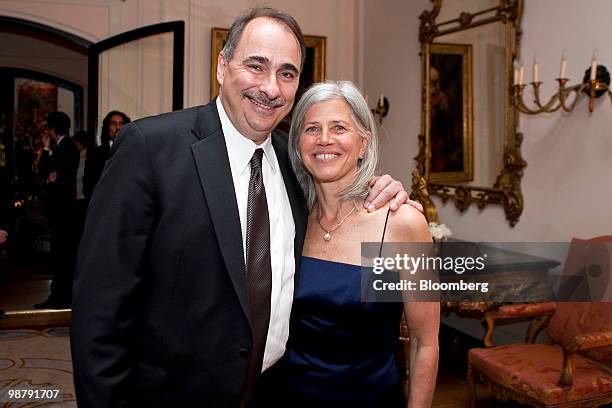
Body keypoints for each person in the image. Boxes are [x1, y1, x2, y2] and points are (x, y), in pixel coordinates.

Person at [71, 7, 418, 407]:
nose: (270, 88)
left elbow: (340, 202)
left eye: (287, 73)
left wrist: (384, 189)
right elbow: (100, 311)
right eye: (256, 66)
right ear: (222, 66)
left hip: (277, 392)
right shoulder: (149, 149)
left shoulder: (297, 166)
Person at [268, 80, 440, 407]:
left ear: (363, 144)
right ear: (298, 145)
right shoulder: (288, 218)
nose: (325, 140)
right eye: (312, 128)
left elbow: (424, 342)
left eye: (339, 128)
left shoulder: (401, 224)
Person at [36, 111, 80, 309]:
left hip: (62, 210)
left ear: (53, 129)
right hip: (64, 210)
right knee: (63, 255)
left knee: (62, 255)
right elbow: (49, 175)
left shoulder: (65, 148)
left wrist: (45, 149)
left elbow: (46, 171)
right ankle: (61, 296)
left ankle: (59, 297)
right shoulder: (66, 147)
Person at [83, 110, 130, 200]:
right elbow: (88, 183)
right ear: (107, 127)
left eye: (121, 123)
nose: (118, 127)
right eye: (113, 123)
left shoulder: (133, 152)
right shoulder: (95, 153)